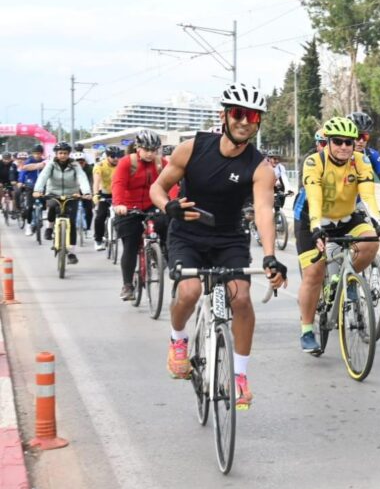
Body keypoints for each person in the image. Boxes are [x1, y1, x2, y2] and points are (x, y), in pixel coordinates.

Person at [149, 82, 288, 410]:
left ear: (258, 123)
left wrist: (270, 256)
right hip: (187, 234)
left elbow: (264, 212)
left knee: (241, 298)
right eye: (238, 113)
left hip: (228, 238)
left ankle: (239, 377)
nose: (244, 121)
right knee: (189, 292)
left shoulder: (260, 167)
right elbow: (158, 187)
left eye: (252, 116)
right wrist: (167, 206)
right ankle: (178, 339)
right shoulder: (192, 148)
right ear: (224, 116)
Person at [295, 117, 380, 353]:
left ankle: (349, 279)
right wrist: (316, 227)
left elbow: (367, 195)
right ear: (328, 142)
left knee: (372, 240)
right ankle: (306, 330)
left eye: (349, 142)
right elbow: (314, 197)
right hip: (312, 219)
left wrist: (379, 222)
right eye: (338, 141)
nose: (344, 146)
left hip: (345, 217)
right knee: (314, 273)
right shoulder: (315, 162)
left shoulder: (361, 162)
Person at [112, 131, 171, 300]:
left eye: (154, 150)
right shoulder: (126, 162)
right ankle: (128, 285)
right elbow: (118, 184)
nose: (150, 154)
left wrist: (170, 204)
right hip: (129, 207)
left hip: (153, 204)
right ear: (138, 147)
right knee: (130, 245)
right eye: (146, 150)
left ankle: (163, 255)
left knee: (169, 224)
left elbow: (171, 184)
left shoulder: (162, 163)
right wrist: (119, 204)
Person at [32, 142, 91, 264]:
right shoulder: (51, 165)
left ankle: (72, 253)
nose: (63, 155)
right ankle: (49, 228)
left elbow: (82, 178)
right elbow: (43, 177)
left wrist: (86, 192)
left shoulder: (75, 165)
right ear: (56, 154)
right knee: (52, 207)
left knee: (72, 223)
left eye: (65, 153)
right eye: (60, 153)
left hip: (71, 194)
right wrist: (37, 190)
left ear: (69, 154)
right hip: (53, 193)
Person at [93, 146, 124, 250]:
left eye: (118, 156)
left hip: (118, 193)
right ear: (107, 156)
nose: (116, 158)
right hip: (105, 194)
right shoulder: (100, 165)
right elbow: (96, 182)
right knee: (100, 217)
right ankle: (98, 240)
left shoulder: (122, 165)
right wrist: (96, 194)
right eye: (112, 156)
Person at [18, 145, 47, 235]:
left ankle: (41, 216)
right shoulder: (29, 161)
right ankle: (28, 225)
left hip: (42, 187)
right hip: (31, 186)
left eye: (39, 153)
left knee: (44, 204)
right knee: (30, 207)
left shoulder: (45, 162)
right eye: (35, 154)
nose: (37, 155)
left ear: (42, 154)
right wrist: (20, 181)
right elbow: (23, 172)